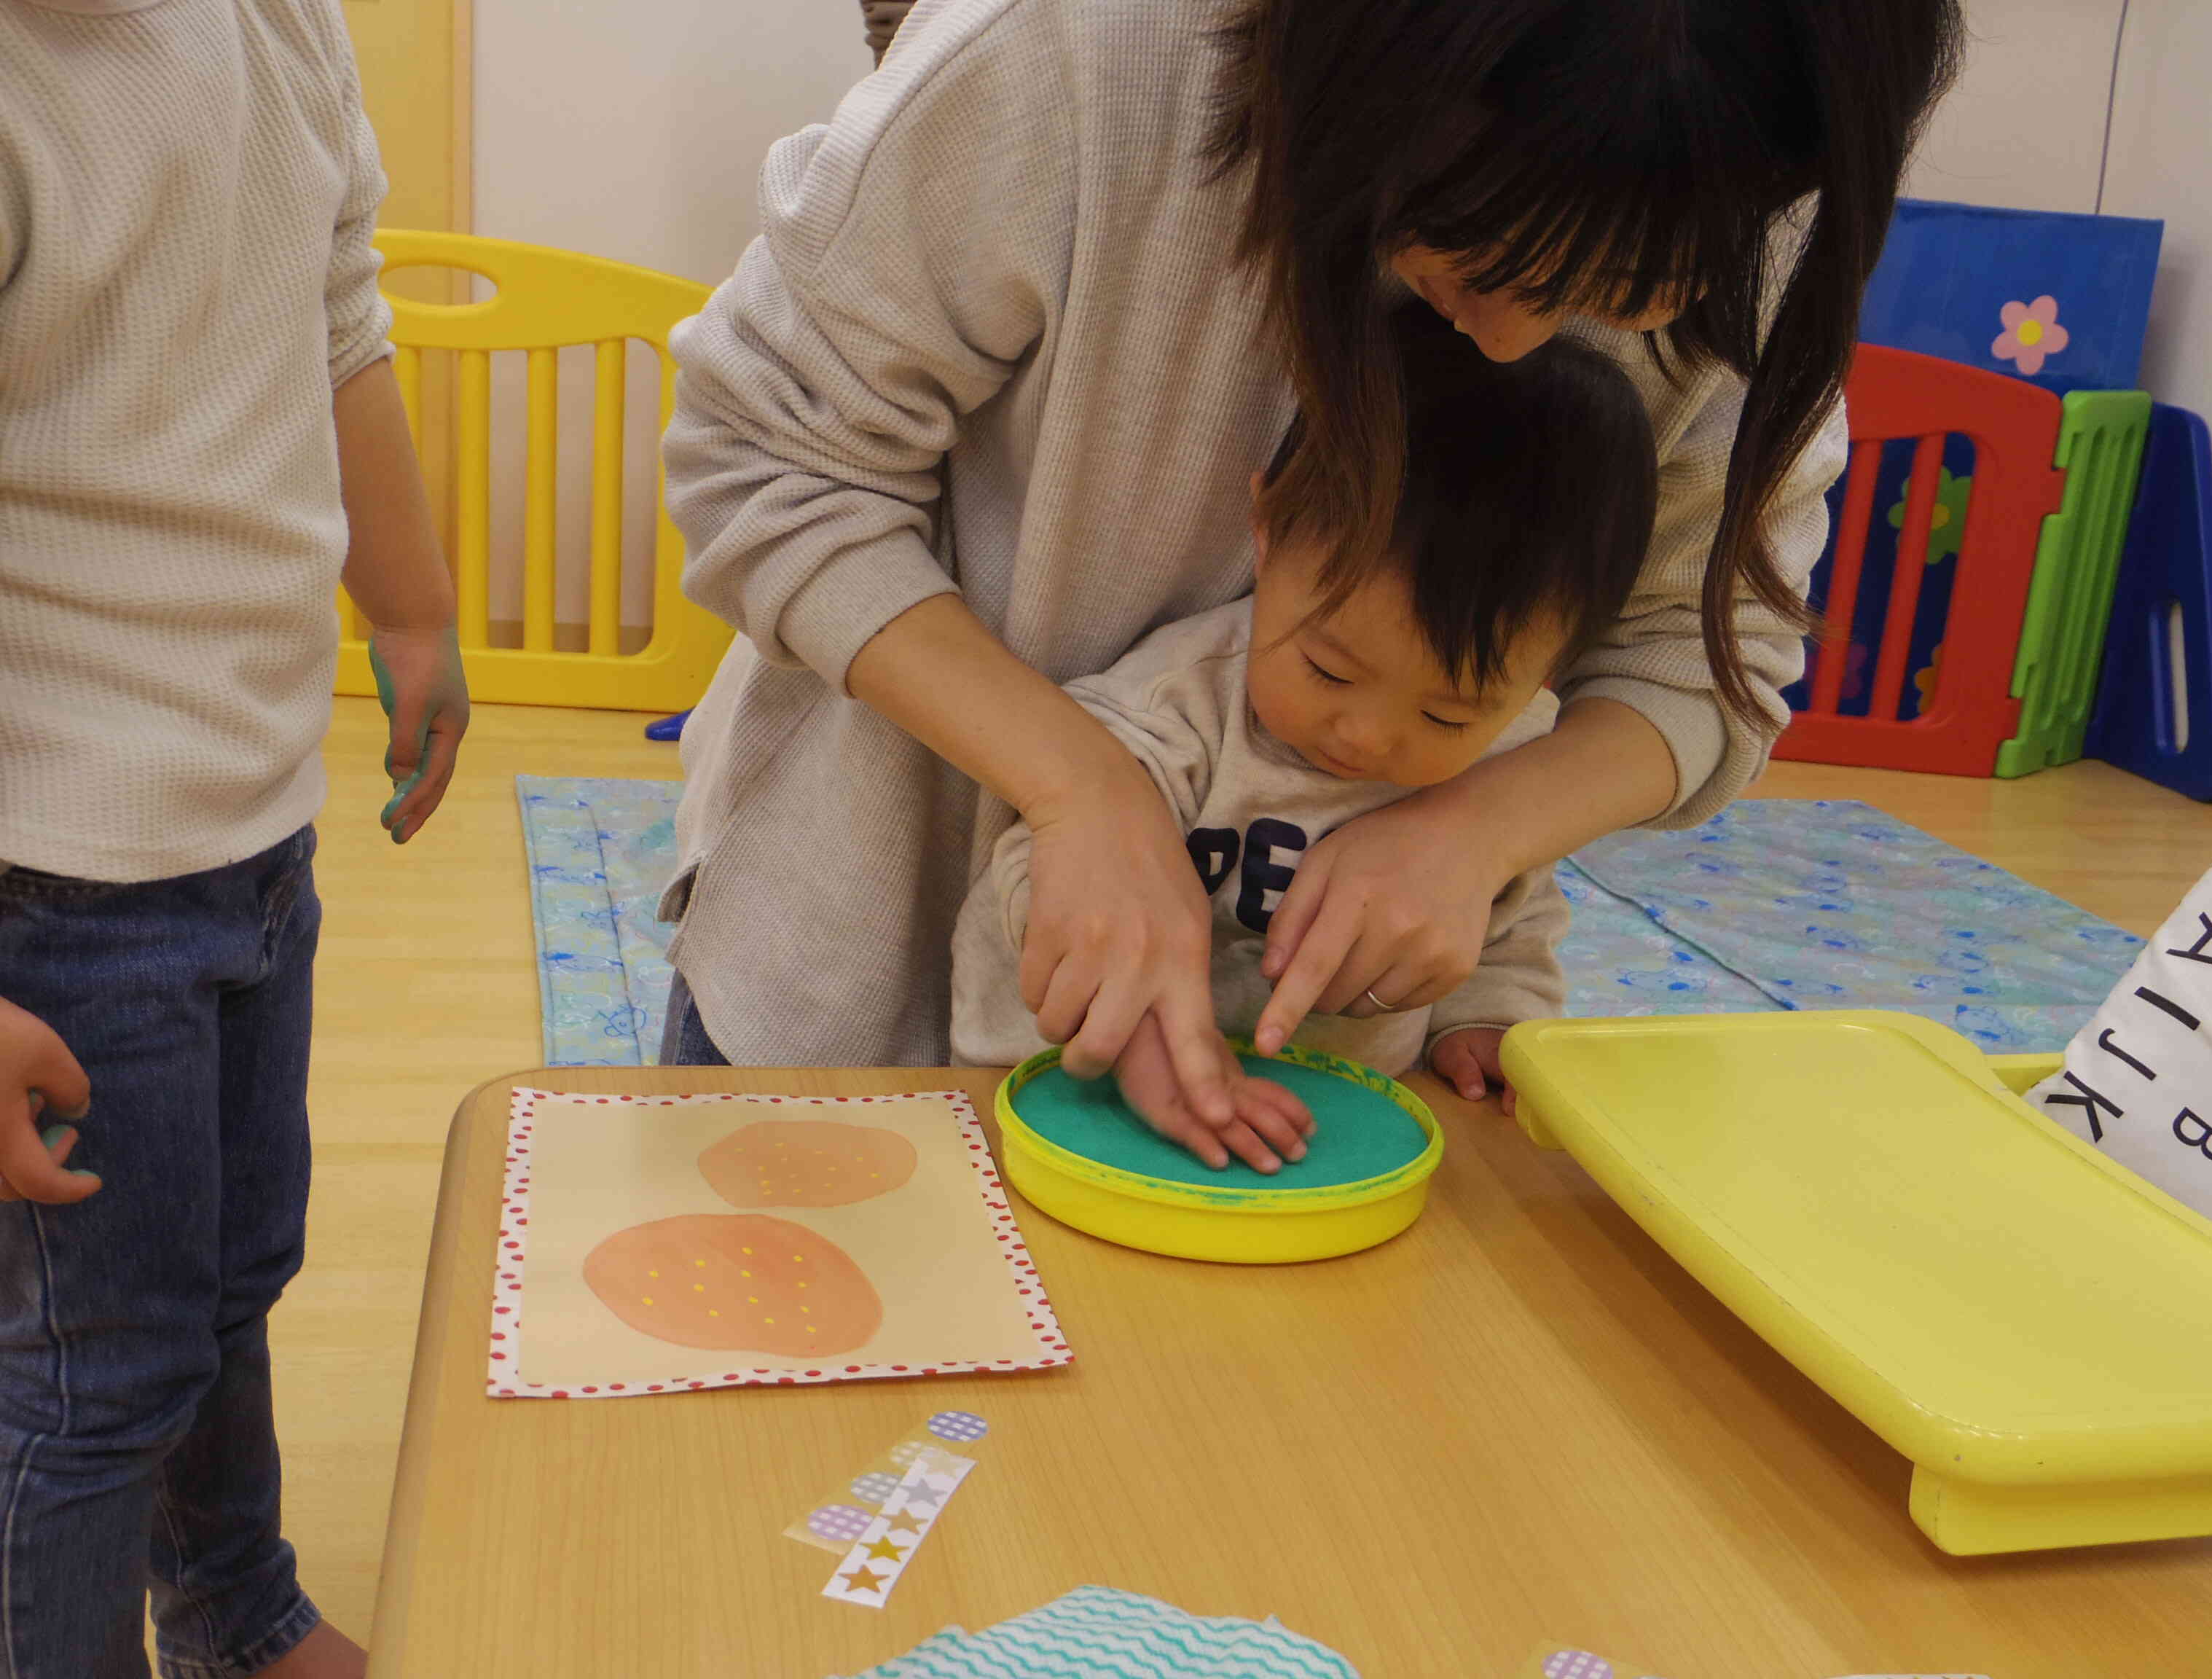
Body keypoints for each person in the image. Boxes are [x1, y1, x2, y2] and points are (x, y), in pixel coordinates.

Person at [659, 0, 1962, 1169]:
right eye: (1479, 254)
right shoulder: (1080, 54)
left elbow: (1704, 648)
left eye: (1619, 297)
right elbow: (767, 458)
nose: (1514, 340)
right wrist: (1078, 786)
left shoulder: (1749, 156)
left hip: (1308, 1085)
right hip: (860, 962)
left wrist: (1476, 830)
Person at [0, 1, 468, 1673]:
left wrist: (409, 609)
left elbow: (338, 311)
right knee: (86, 1373)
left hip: (250, 821)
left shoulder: (277, 21)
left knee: (224, 1273)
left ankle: (232, 1608)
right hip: (50, 878)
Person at [951, 319, 1657, 1170]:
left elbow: (1509, 913)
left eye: (1446, 719)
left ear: (1552, 670)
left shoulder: (1515, 758)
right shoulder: (1184, 699)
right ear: (1266, 530)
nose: (1365, 735)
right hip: (1059, 1089)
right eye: (1327, 668)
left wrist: (1487, 1019)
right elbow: (1041, 869)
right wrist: (1142, 1041)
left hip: (1322, 1122)